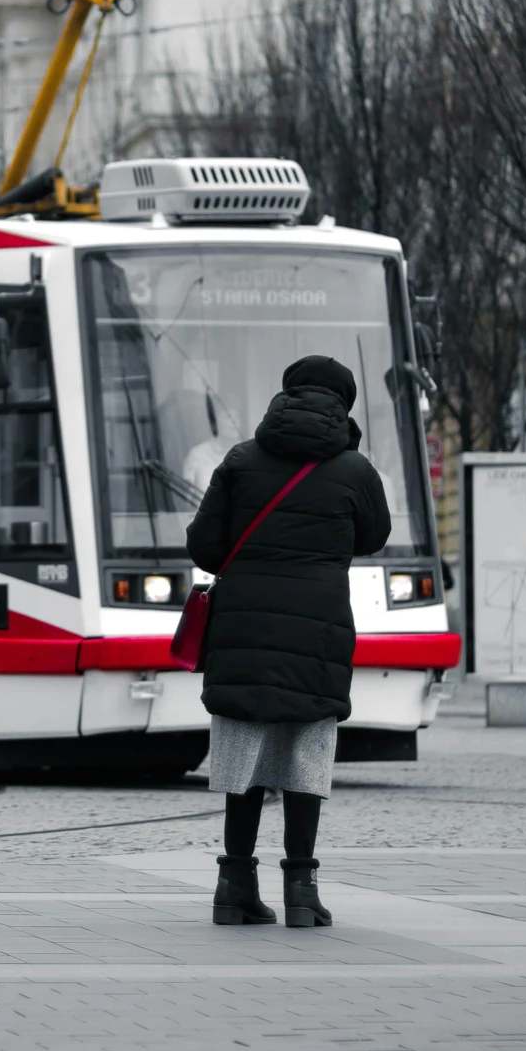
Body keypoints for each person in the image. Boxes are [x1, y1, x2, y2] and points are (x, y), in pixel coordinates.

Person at [186, 354, 391, 929]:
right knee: (306, 751)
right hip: (318, 630)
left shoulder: (241, 459)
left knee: (244, 749)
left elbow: (204, 546)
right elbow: (375, 537)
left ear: (286, 395)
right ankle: (302, 890)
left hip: (244, 628)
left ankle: (233, 888)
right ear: (343, 406)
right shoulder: (355, 470)